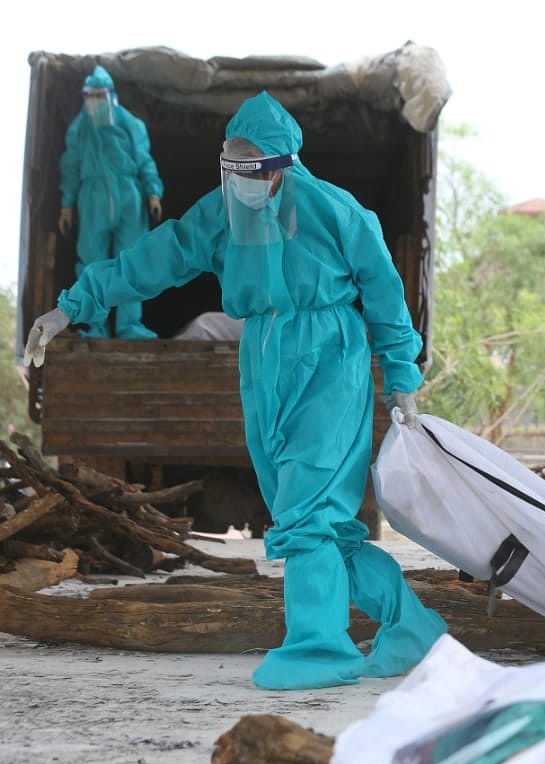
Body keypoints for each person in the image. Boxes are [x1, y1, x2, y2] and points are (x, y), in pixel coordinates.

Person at [26, 91, 447, 691]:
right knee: (317, 524)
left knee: (308, 515)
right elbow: (156, 256)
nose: (238, 181)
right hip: (263, 362)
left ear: (282, 166)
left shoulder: (337, 212)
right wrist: (72, 307)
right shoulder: (223, 212)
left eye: (250, 170)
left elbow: (383, 291)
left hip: (330, 357)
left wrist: (401, 375)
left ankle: (318, 651)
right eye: (229, 167)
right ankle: (412, 629)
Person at [57, 65, 163, 340]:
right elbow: (70, 165)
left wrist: (153, 192)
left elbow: (144, 159)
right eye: (89, 97)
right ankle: (96, 326)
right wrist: (67, 204)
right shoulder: (80, 129)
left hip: (129, 195)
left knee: (132, 262)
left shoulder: (130, 124)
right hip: (92, 199)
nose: (94, 103)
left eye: (98, 96)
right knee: (92, 263)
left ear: (111, 95)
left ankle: (130, 325)